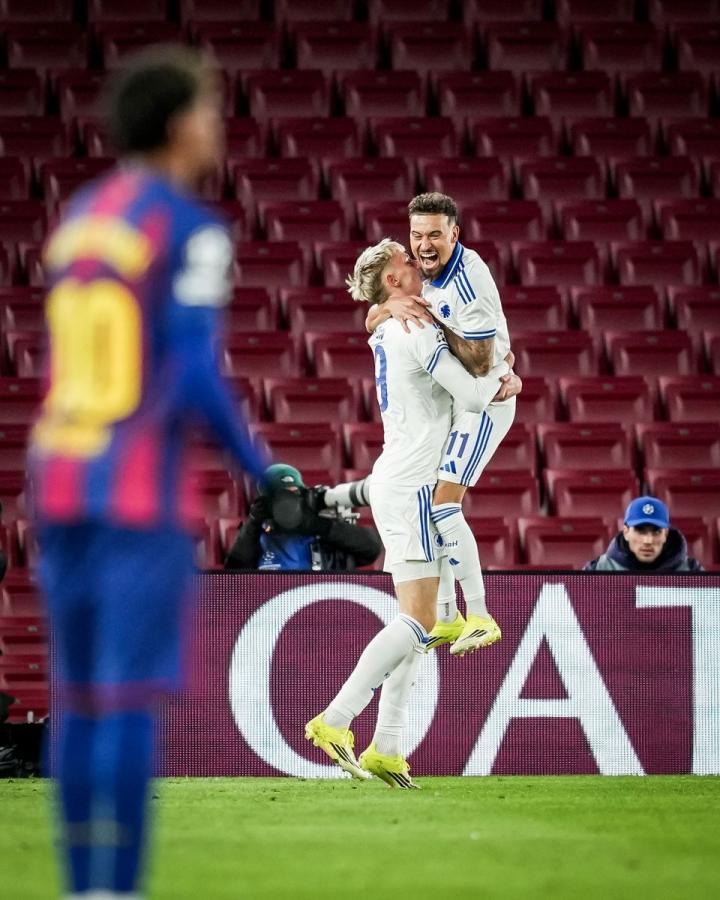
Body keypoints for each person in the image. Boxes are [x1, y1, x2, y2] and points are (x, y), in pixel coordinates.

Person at [27, 47, 268, 900]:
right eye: (208, 109)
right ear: (177, 124)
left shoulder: (82, 217)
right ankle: (119, 889)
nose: (218, 125)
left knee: (78, 695)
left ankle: (79, 886)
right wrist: (261, 468)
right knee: (127, 695)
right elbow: (195, 369)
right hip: (136, 492)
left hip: (59, 477)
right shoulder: (190, 227)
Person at [305, 239, 512, 788]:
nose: (417, 263)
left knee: (427, 624)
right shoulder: (414, 328)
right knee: (419, 621)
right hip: (415, 485)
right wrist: (504, 376)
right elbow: (473, 398)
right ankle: (336, 718)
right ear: (393, 281)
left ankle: (388, 745)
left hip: (395, 479)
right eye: (405, 261)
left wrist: (381, 307)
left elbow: (377, 315)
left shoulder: (388, 326)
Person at [365, 192, 521, 657]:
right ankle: (450, 617)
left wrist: (502, 372)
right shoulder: (422, 273)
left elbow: (479, 365)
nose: (423, 246)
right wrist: (388, 308)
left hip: (485, 402)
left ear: (455, 233)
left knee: (444, 505)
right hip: (464, 399)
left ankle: (481, 616)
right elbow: (373, 312)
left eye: (435, 234)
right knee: (438, 508)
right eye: (417, 235)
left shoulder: (469, 285)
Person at [224, 463, 382, 571]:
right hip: (275, 608)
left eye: (295, 494)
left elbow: (371, 549)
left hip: (325, 607)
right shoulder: (259, 535)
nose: (289, 505)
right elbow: (234, 572)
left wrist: (316, 524)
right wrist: (253, 522)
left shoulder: (322, 532)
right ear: (266, 502)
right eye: (282, 497)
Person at [584, 496, 704, 572]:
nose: (648, 541)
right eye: (640, 530)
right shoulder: (598, 569)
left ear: (665, 535)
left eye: (656, 532)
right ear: (626, 532)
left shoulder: (691, 571)